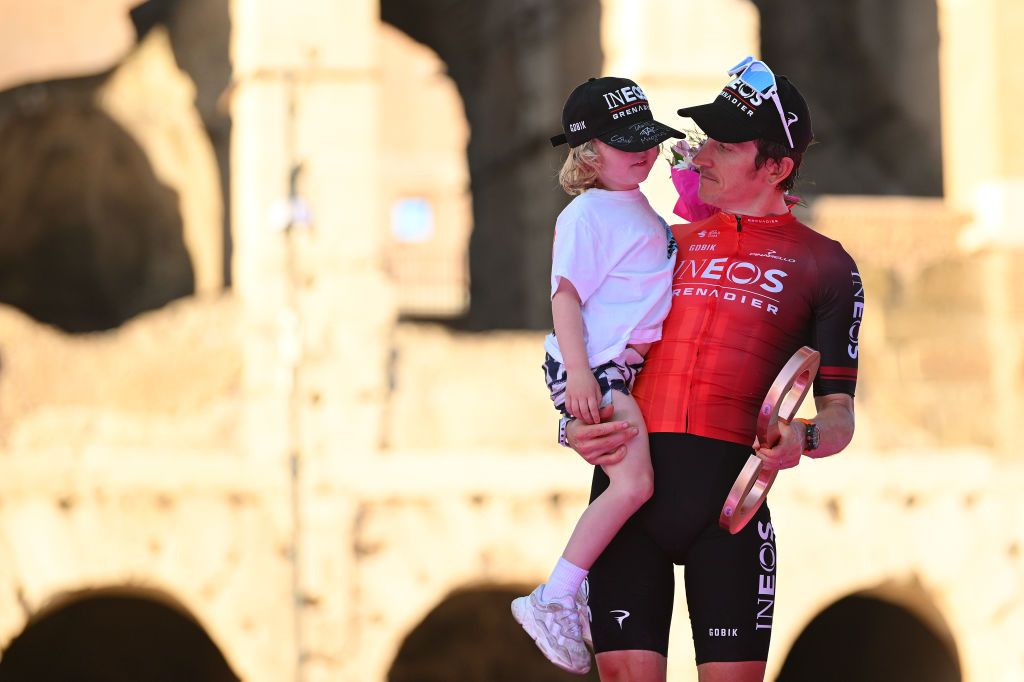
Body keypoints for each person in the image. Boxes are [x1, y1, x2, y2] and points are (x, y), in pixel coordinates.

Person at [561, 57, 864, 682]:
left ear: (778, 166)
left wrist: (801, 438)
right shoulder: (657, 240)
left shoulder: (827, 266)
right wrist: (573, 422)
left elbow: (839, 414)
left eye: (725, 146)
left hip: (731, 510)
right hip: (629, 504)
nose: (700, 158)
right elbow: (587, 346)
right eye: (705, 141)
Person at [510, 76, 684, 675]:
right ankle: (554, 596)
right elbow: (565, 298)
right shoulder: (585, 215)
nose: (644, 150)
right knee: (634, 486)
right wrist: (582, 377)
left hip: (617, 369)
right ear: (588, 153)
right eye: (624, 143)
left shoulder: (634, 206)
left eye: (650, 140)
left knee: (631, 483)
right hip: (599, 367)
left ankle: (570, 591)